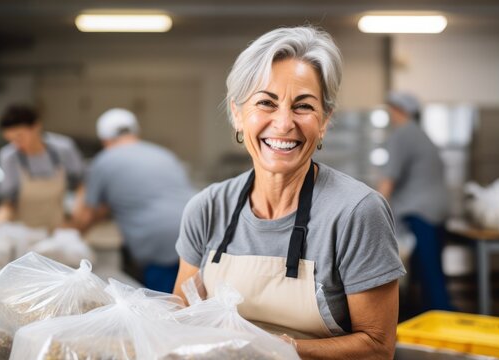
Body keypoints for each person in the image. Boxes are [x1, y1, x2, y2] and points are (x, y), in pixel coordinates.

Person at [173, 26, 405, 358]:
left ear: (324, 121)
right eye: (266, 103)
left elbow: (378, 347)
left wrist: (281, 350)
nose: (283, 124)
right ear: (238, 114)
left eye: (303, 106)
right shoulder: (207, 209)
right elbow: (183, 319)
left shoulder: (356, 212)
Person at [71, 108, 194, 293]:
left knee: (164, 308)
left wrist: (69, 235)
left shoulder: (103, 162)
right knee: (193, 299)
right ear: (136, 132)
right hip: (195, 229)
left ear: (104, 139)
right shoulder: (163, 154)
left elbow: (87, 214)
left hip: (157, 241)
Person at [378, 91, 453, 312]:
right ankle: (431, 315)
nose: (389, 114)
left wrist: (372, 210)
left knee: (429, 275)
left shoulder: (402, 135)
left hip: (419, 212)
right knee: (429, 270)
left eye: (391, 109)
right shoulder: (421, 134)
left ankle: (442, 321)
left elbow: (388, 180)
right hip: (436, 210)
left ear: (399, 110)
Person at [0, 105, 84, 230]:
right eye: (10, 140)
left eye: (19, 136)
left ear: (36, 126)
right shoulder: (8, 156)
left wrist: (75, 220)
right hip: (22, 230)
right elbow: (9, 203)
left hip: (57, 227)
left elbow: (81, 186)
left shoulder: (63, 149)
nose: (16, 144)